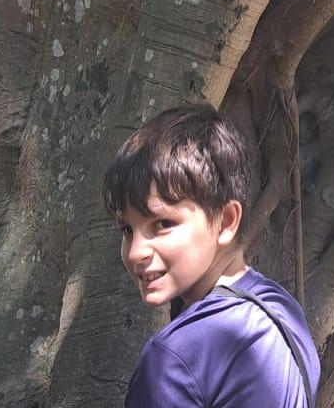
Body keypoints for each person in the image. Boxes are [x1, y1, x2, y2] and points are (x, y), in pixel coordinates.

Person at [102, 103, 320, 407]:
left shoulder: (174, 361)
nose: (136, 252)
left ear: (226, 221)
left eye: (163, 224)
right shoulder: (283, 311)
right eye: (127, 230)